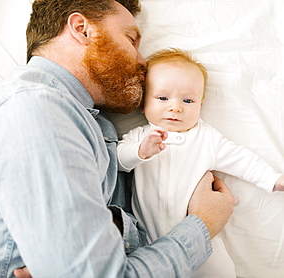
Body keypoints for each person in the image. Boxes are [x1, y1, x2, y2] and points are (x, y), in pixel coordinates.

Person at [0, 1, 235, 277]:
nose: (143, 63)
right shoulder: (34, 109)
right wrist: (203, 224)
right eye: (131, 40)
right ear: (82, 29)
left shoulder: (89, 124)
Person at [117, 48, 284, 278]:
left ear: (200, 104)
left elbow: (242, 160)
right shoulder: (139, 136)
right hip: (147, 242)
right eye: (163, 98)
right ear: (144, 102)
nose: (175, 107)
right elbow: (118, 161)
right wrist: (140, 151)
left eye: (188, 100)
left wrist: (273, 179)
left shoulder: (207, 138)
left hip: (204, 239)